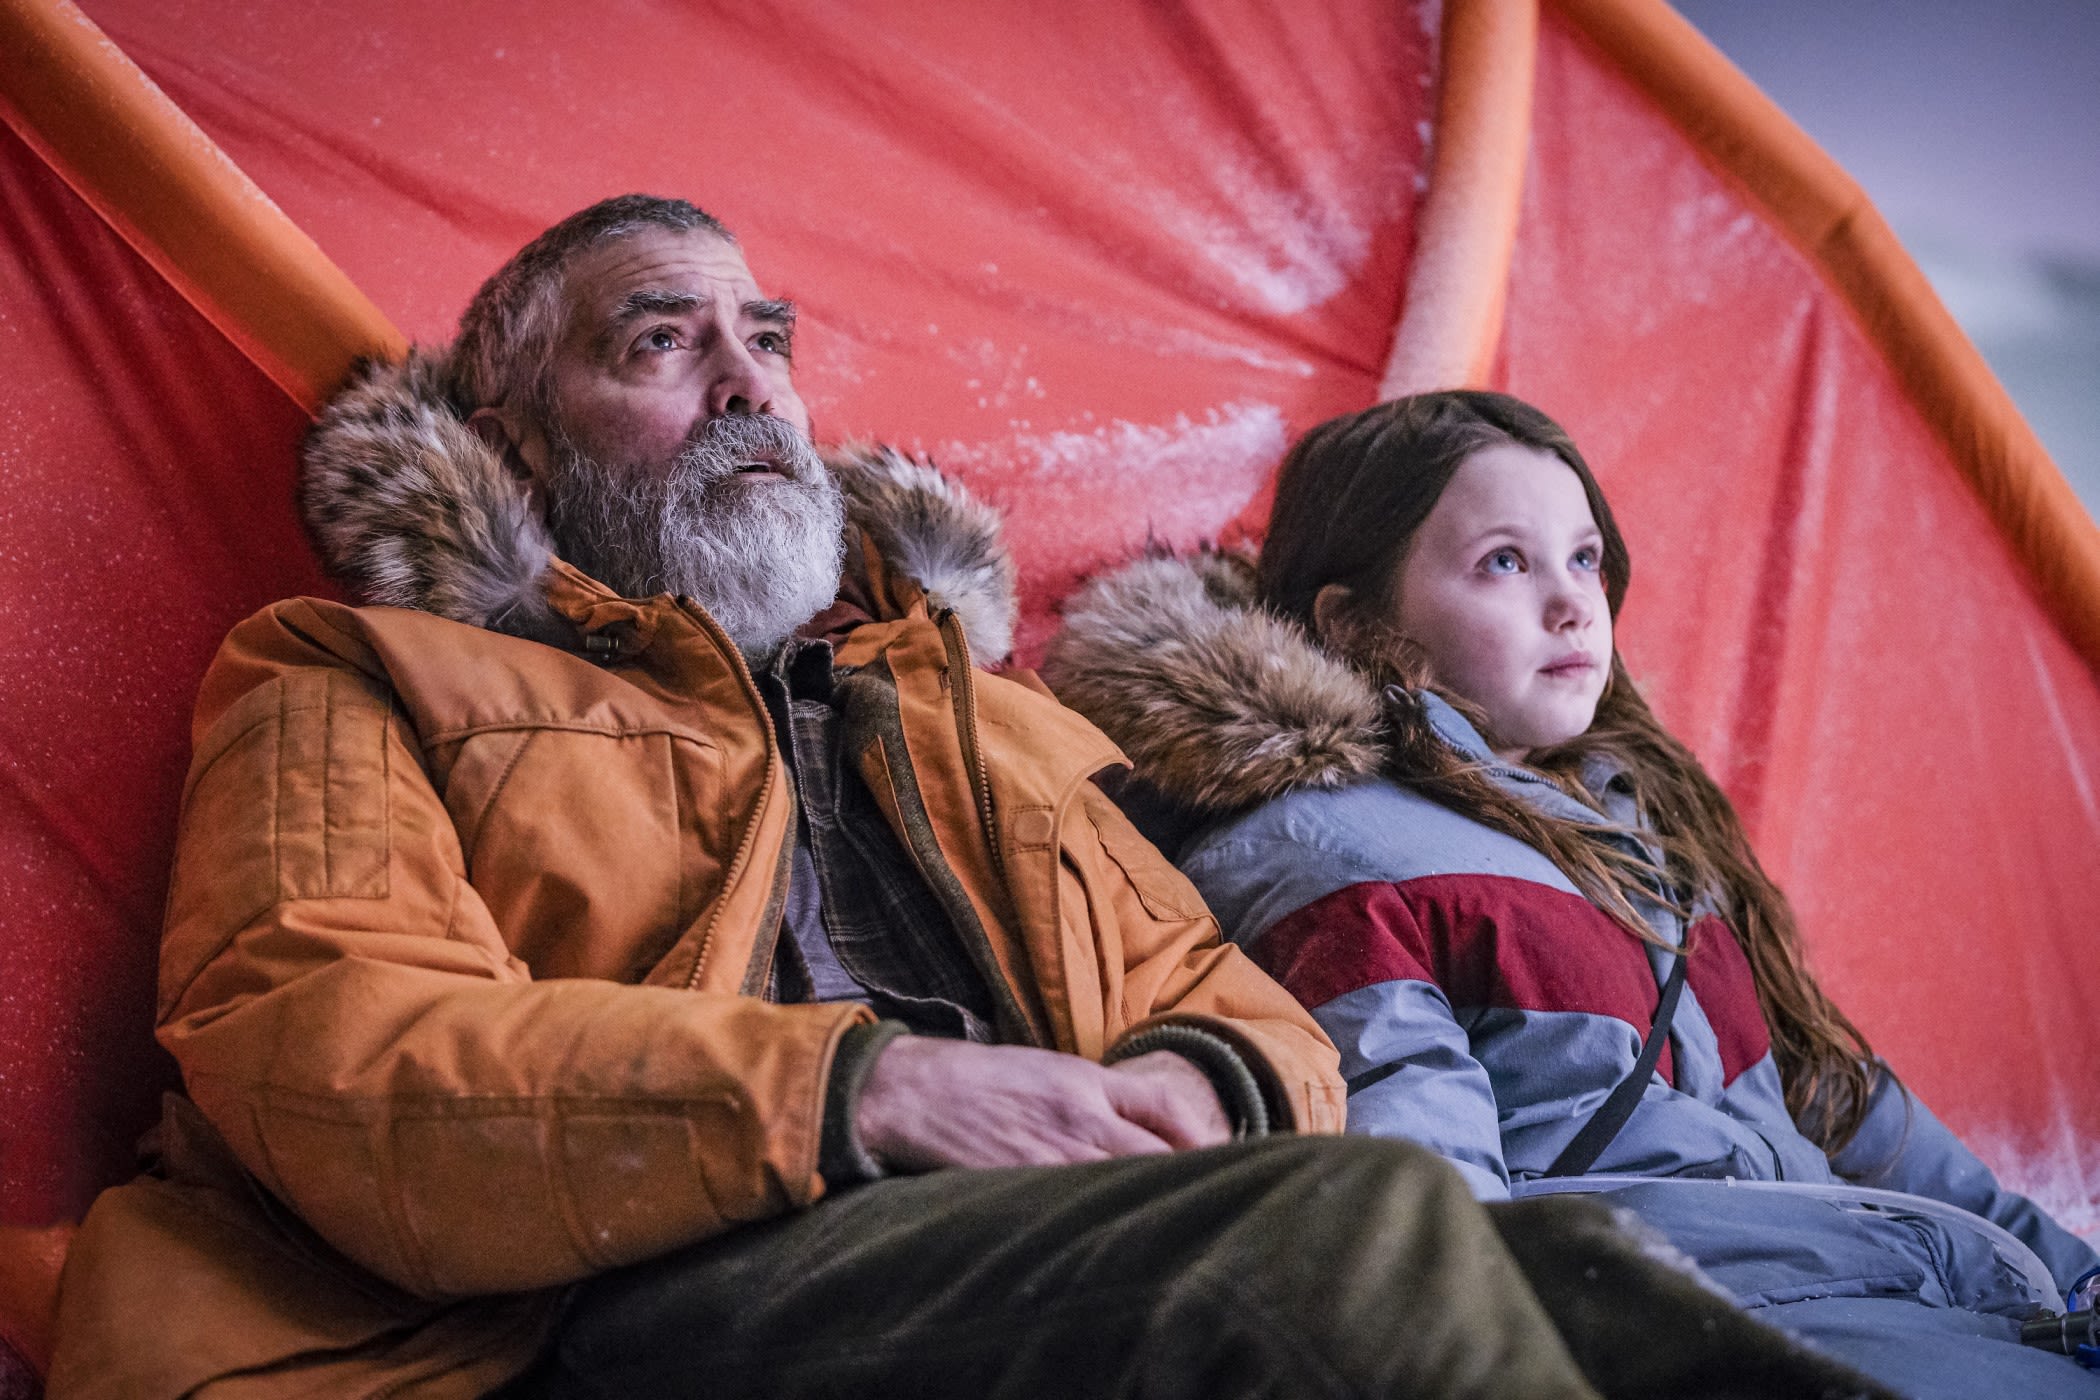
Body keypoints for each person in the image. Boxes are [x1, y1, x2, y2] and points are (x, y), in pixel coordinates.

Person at [44, 203, 1896, 1400]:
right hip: (584, 1305)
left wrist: (1208, 1083)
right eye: (661, 341)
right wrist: (870, 1093)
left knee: (1588, 1274)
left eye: (765, 337)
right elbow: (325, 1046)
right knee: (1347, 1239)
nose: (753, 386)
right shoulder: (352, 673)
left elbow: (1234, 1002)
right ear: (517, 439)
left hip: (998, 1262)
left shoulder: (972, 717)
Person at [1046, 389, 2100, 1400]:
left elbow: (1849, 1106)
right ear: (1360, 626)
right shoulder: (1325, 851)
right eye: (1505, 561)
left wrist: (2082, 1279)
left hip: (1902, 1290)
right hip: (1702, 1328)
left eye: (1585, 557)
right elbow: (1427, 1217)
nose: (1570, 600)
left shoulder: (1646, 836)